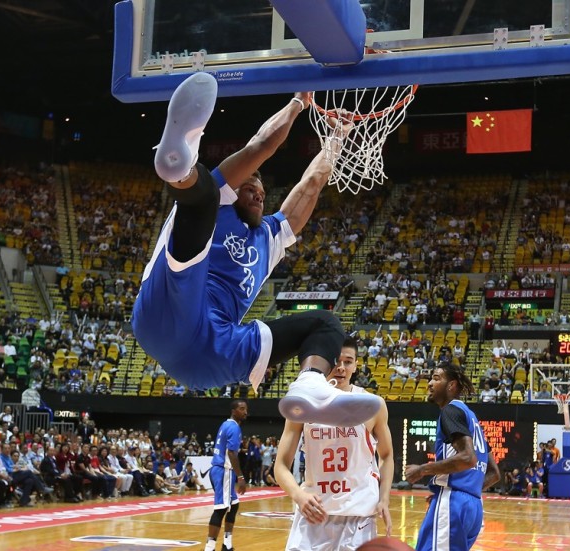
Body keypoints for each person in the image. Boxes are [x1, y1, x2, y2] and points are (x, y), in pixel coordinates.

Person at [131, 72, 380, 427]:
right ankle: (179, 166)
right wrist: (299, 102)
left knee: (326, 325)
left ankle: (310, 386)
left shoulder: (270, 238)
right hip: (172, 309)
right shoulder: (221, 203)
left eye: (262, 192)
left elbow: (311, 184)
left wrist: (336, 140)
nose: (259, 193)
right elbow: (260, 146)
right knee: (201, 201)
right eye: (250, 186)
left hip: (211, 353)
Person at [275, 336, 395, 550]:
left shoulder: (372, 404)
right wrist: (297, 494)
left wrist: (384, 498)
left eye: (348, 361)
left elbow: (386, 456)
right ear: (324, 363)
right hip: (313, 511)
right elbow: (281, 465)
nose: (341, 367)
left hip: (358, 514)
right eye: (336, 361)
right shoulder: (302, 404)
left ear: (356, 365)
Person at [404, 365, 501, 551]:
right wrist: (465, 492)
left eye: (436, 378)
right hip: (473, 507)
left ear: (451, 385)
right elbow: (495, 473)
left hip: (454, 504)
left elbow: (468, 458)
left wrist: (422, 469)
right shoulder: (473, 419)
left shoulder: (450, 411)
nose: (430, 383)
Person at [205, 400, 248, 551]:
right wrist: (241, 477)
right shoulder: (234, 427)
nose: (245, 412)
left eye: (245, 409)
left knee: (234, 506)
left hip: (219, 469)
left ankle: (227, 544)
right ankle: (209, 548)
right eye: (242, 409)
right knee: (221, 508)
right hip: (224, 470)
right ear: (233, 411)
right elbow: (231, 453)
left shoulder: (225, 424)